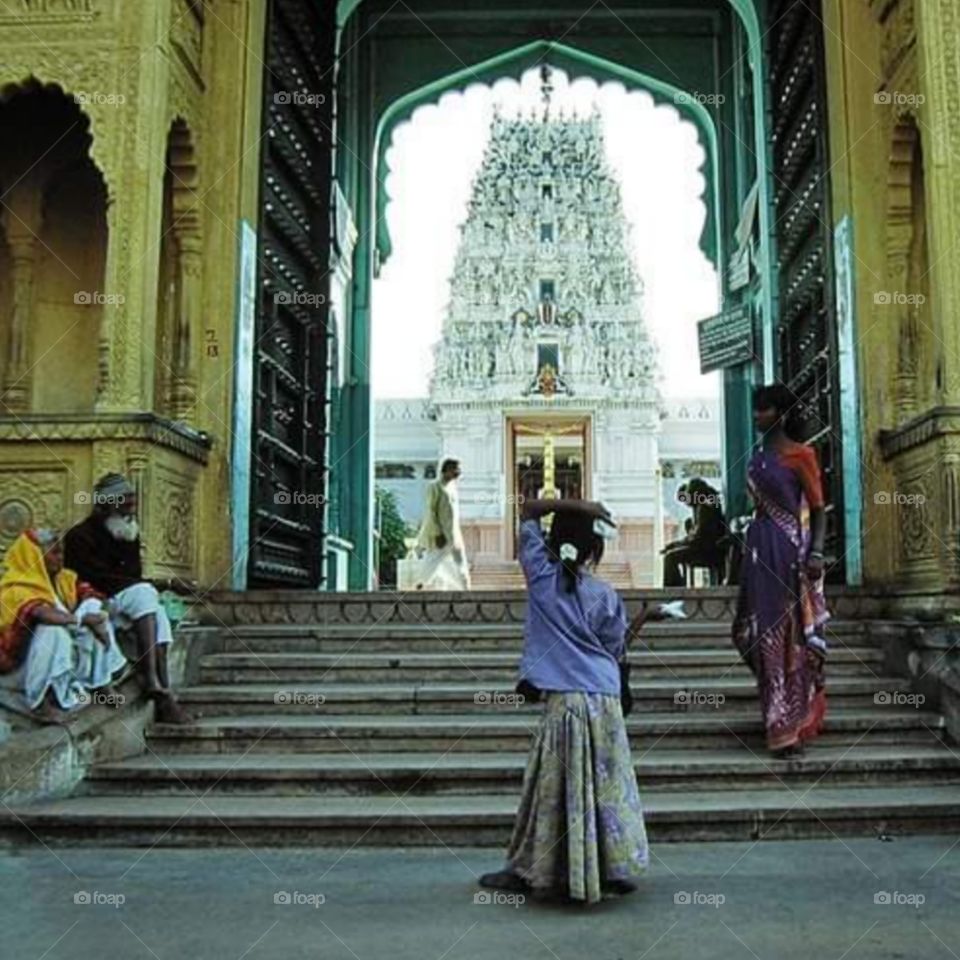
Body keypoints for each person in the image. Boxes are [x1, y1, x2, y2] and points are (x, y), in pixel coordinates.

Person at [478, 498, 649, 904]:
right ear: (595, 549)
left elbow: (529, 511)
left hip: (566, 704)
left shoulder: (540, 577)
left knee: (556, 791)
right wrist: (646, 618)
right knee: (606, 789)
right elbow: (616, 650)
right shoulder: (605, 595)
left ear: (552, 543)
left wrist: (580, 505)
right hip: (604, 702)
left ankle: (538, 867)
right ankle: (611, 868)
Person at [732, 385, 829, 758]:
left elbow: (818, 510)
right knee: (747, 632)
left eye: (763, 410)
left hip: (788, 551)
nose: (756, 416)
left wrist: (816, 553)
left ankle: (784, 726)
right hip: (758, 550)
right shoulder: (758, 458)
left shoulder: (801, 456)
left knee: (783, 639)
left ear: (781, 414)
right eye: (755, 410)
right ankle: (779, 702)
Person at [63, 473, 189, 724]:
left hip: (125, 598)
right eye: (126, 500)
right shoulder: (80, 536)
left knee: (159, 615)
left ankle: (164, 693)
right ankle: (150, 678)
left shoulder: (128, 531)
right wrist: (143, 585)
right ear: (108, 503)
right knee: (144, 593)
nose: (132, 505)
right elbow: (90, 577)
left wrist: (152, 584)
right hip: (98, 599)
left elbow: (133, 573)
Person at [0, 528, 127, 722]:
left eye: (62, 552)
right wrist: (82, 621)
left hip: (65, 653)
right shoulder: (16, 586)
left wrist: (97, 616)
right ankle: (40, 704)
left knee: (92, 608)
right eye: (55, 553)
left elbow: (95, 597)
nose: (61, 558)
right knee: (52, 630)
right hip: (21, 669)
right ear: (35, 557)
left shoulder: (64, 580)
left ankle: (101, 681)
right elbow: (41, 613)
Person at [413, 458, 471, 590]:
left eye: (459, 469)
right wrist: (437, 533)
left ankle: (467, 591)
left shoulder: (452, 488)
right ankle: (420, 586)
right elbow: (431, 512)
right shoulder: (434, 487)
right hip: (440, 536)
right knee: (431, 562)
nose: (458, 472)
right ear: (446, 470)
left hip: (454, 536)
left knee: (461, 565)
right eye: (455, 469)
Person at [662, 478, 727, 586]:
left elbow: (697, 539)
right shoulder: (702, 507)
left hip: (708, 552)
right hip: (705, 548)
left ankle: (673, 591)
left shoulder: (705, 509)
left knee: (670, 557)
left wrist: (677, 544)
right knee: (671, 555)